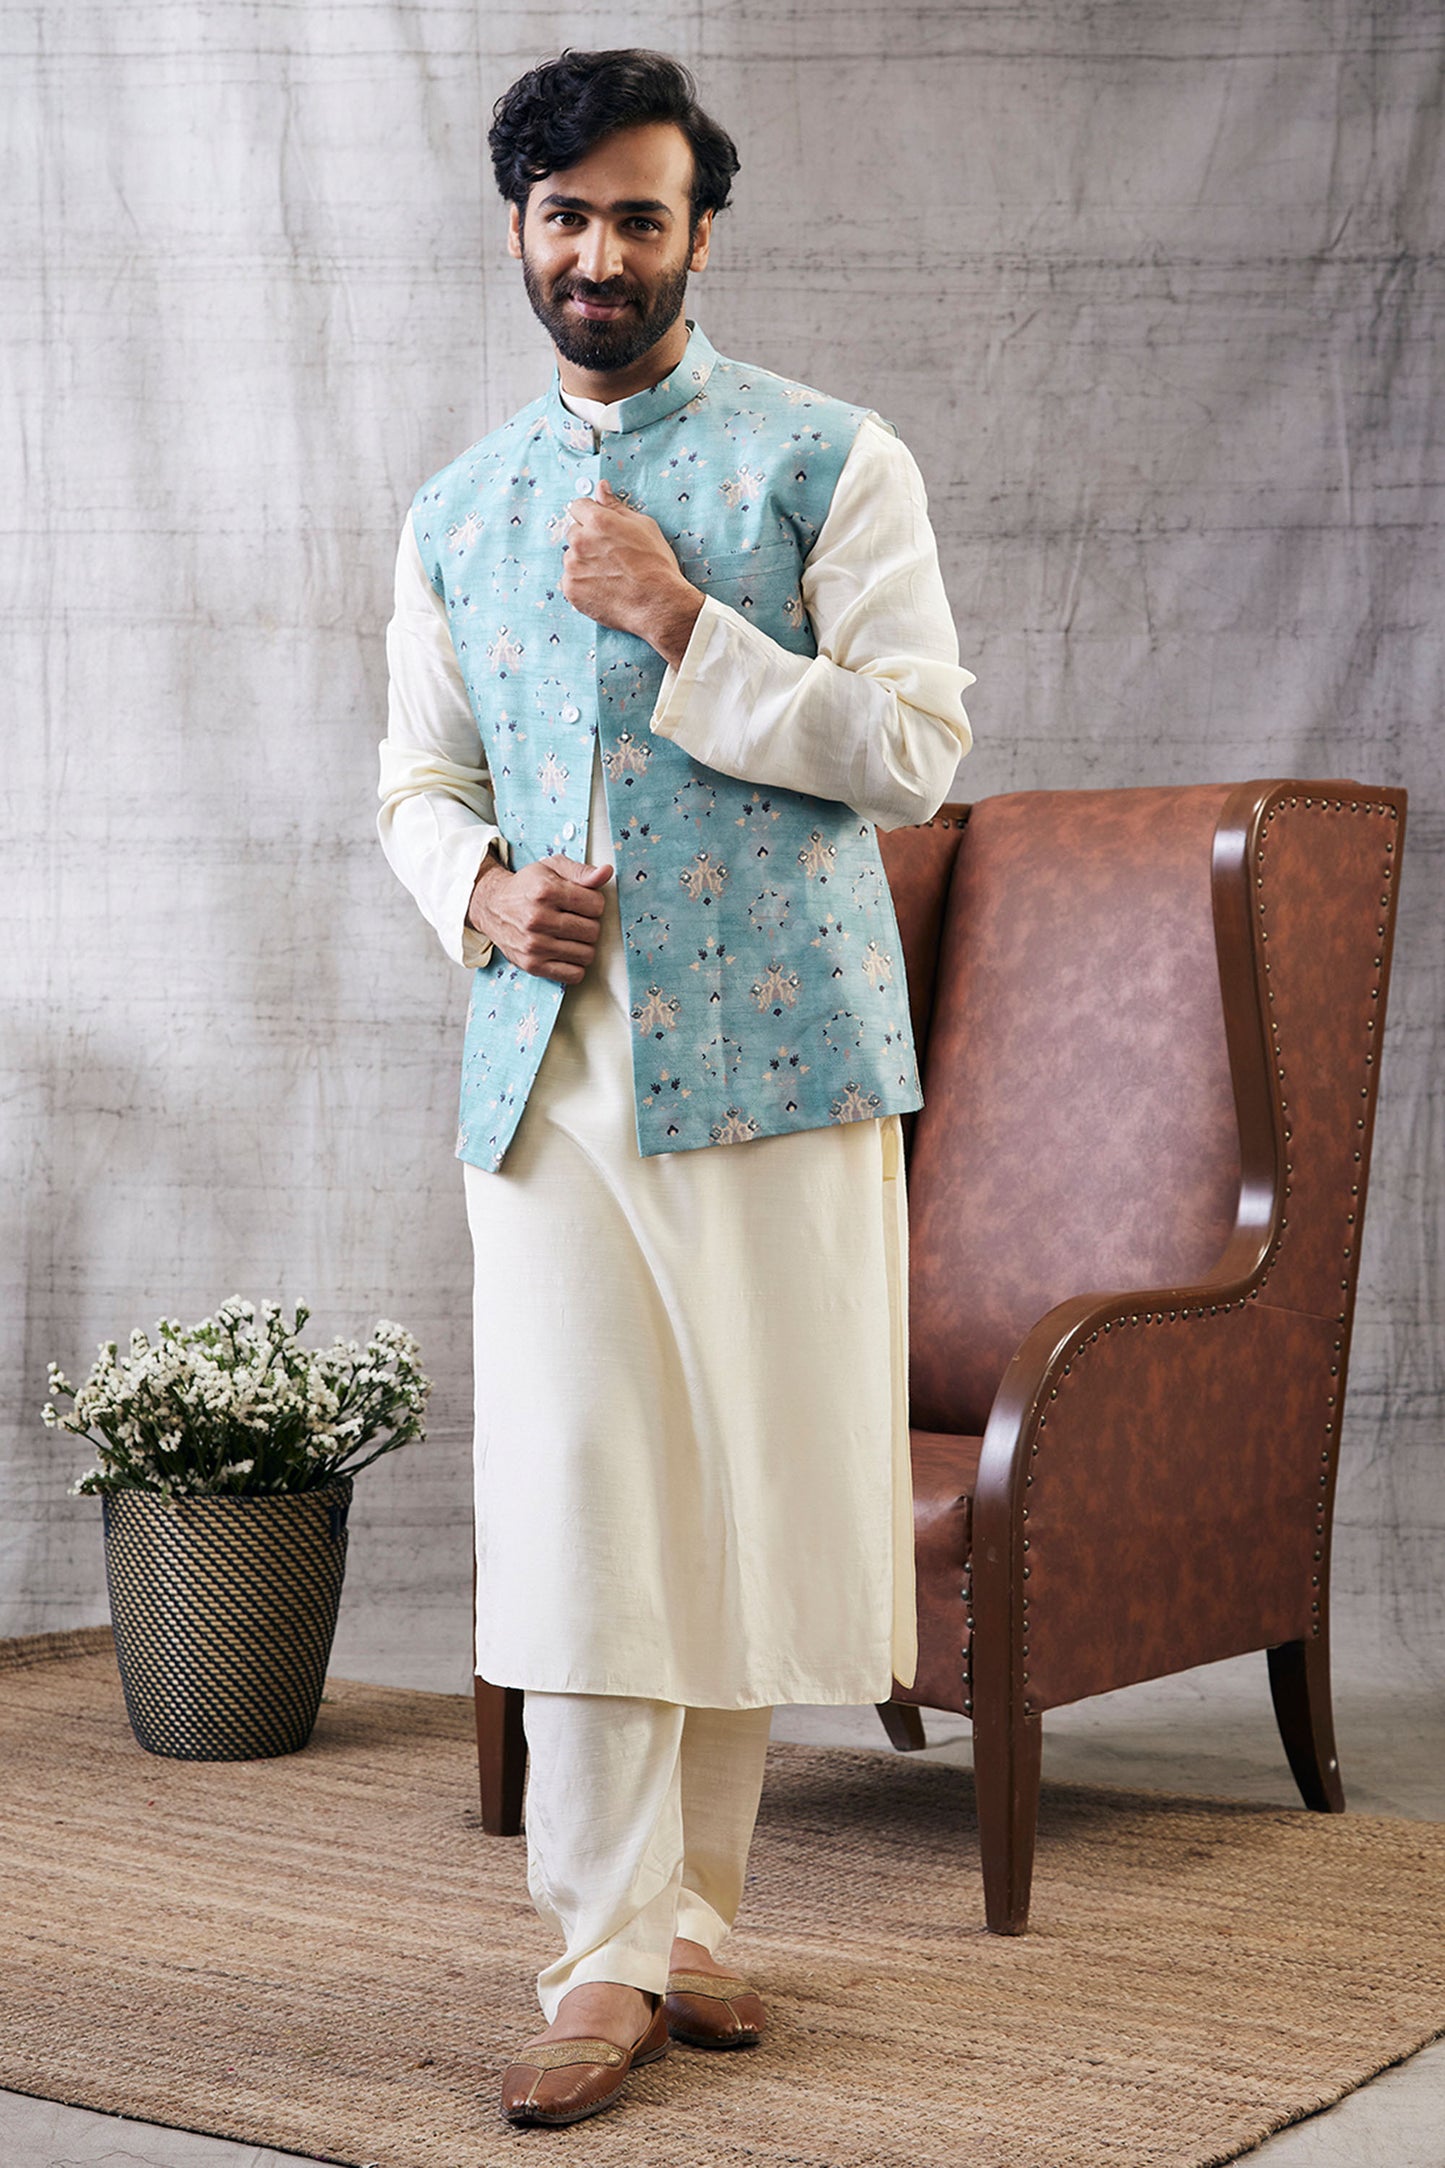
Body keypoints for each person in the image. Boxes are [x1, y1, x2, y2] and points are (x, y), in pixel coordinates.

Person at [378, 46, 974, 2129]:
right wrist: (478, 889)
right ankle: (600, 1950)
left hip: (785, 1055)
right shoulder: (457, 509)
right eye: (567, 215)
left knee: (739, 1488)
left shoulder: (831, 458)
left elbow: (916, 751)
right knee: (586, 1494)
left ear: (700, 233)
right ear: (518, 230)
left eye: (642, 215)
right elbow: (414, 777)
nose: (600, 253)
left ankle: (693, 1919)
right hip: (550, 1072)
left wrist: (689, 621)